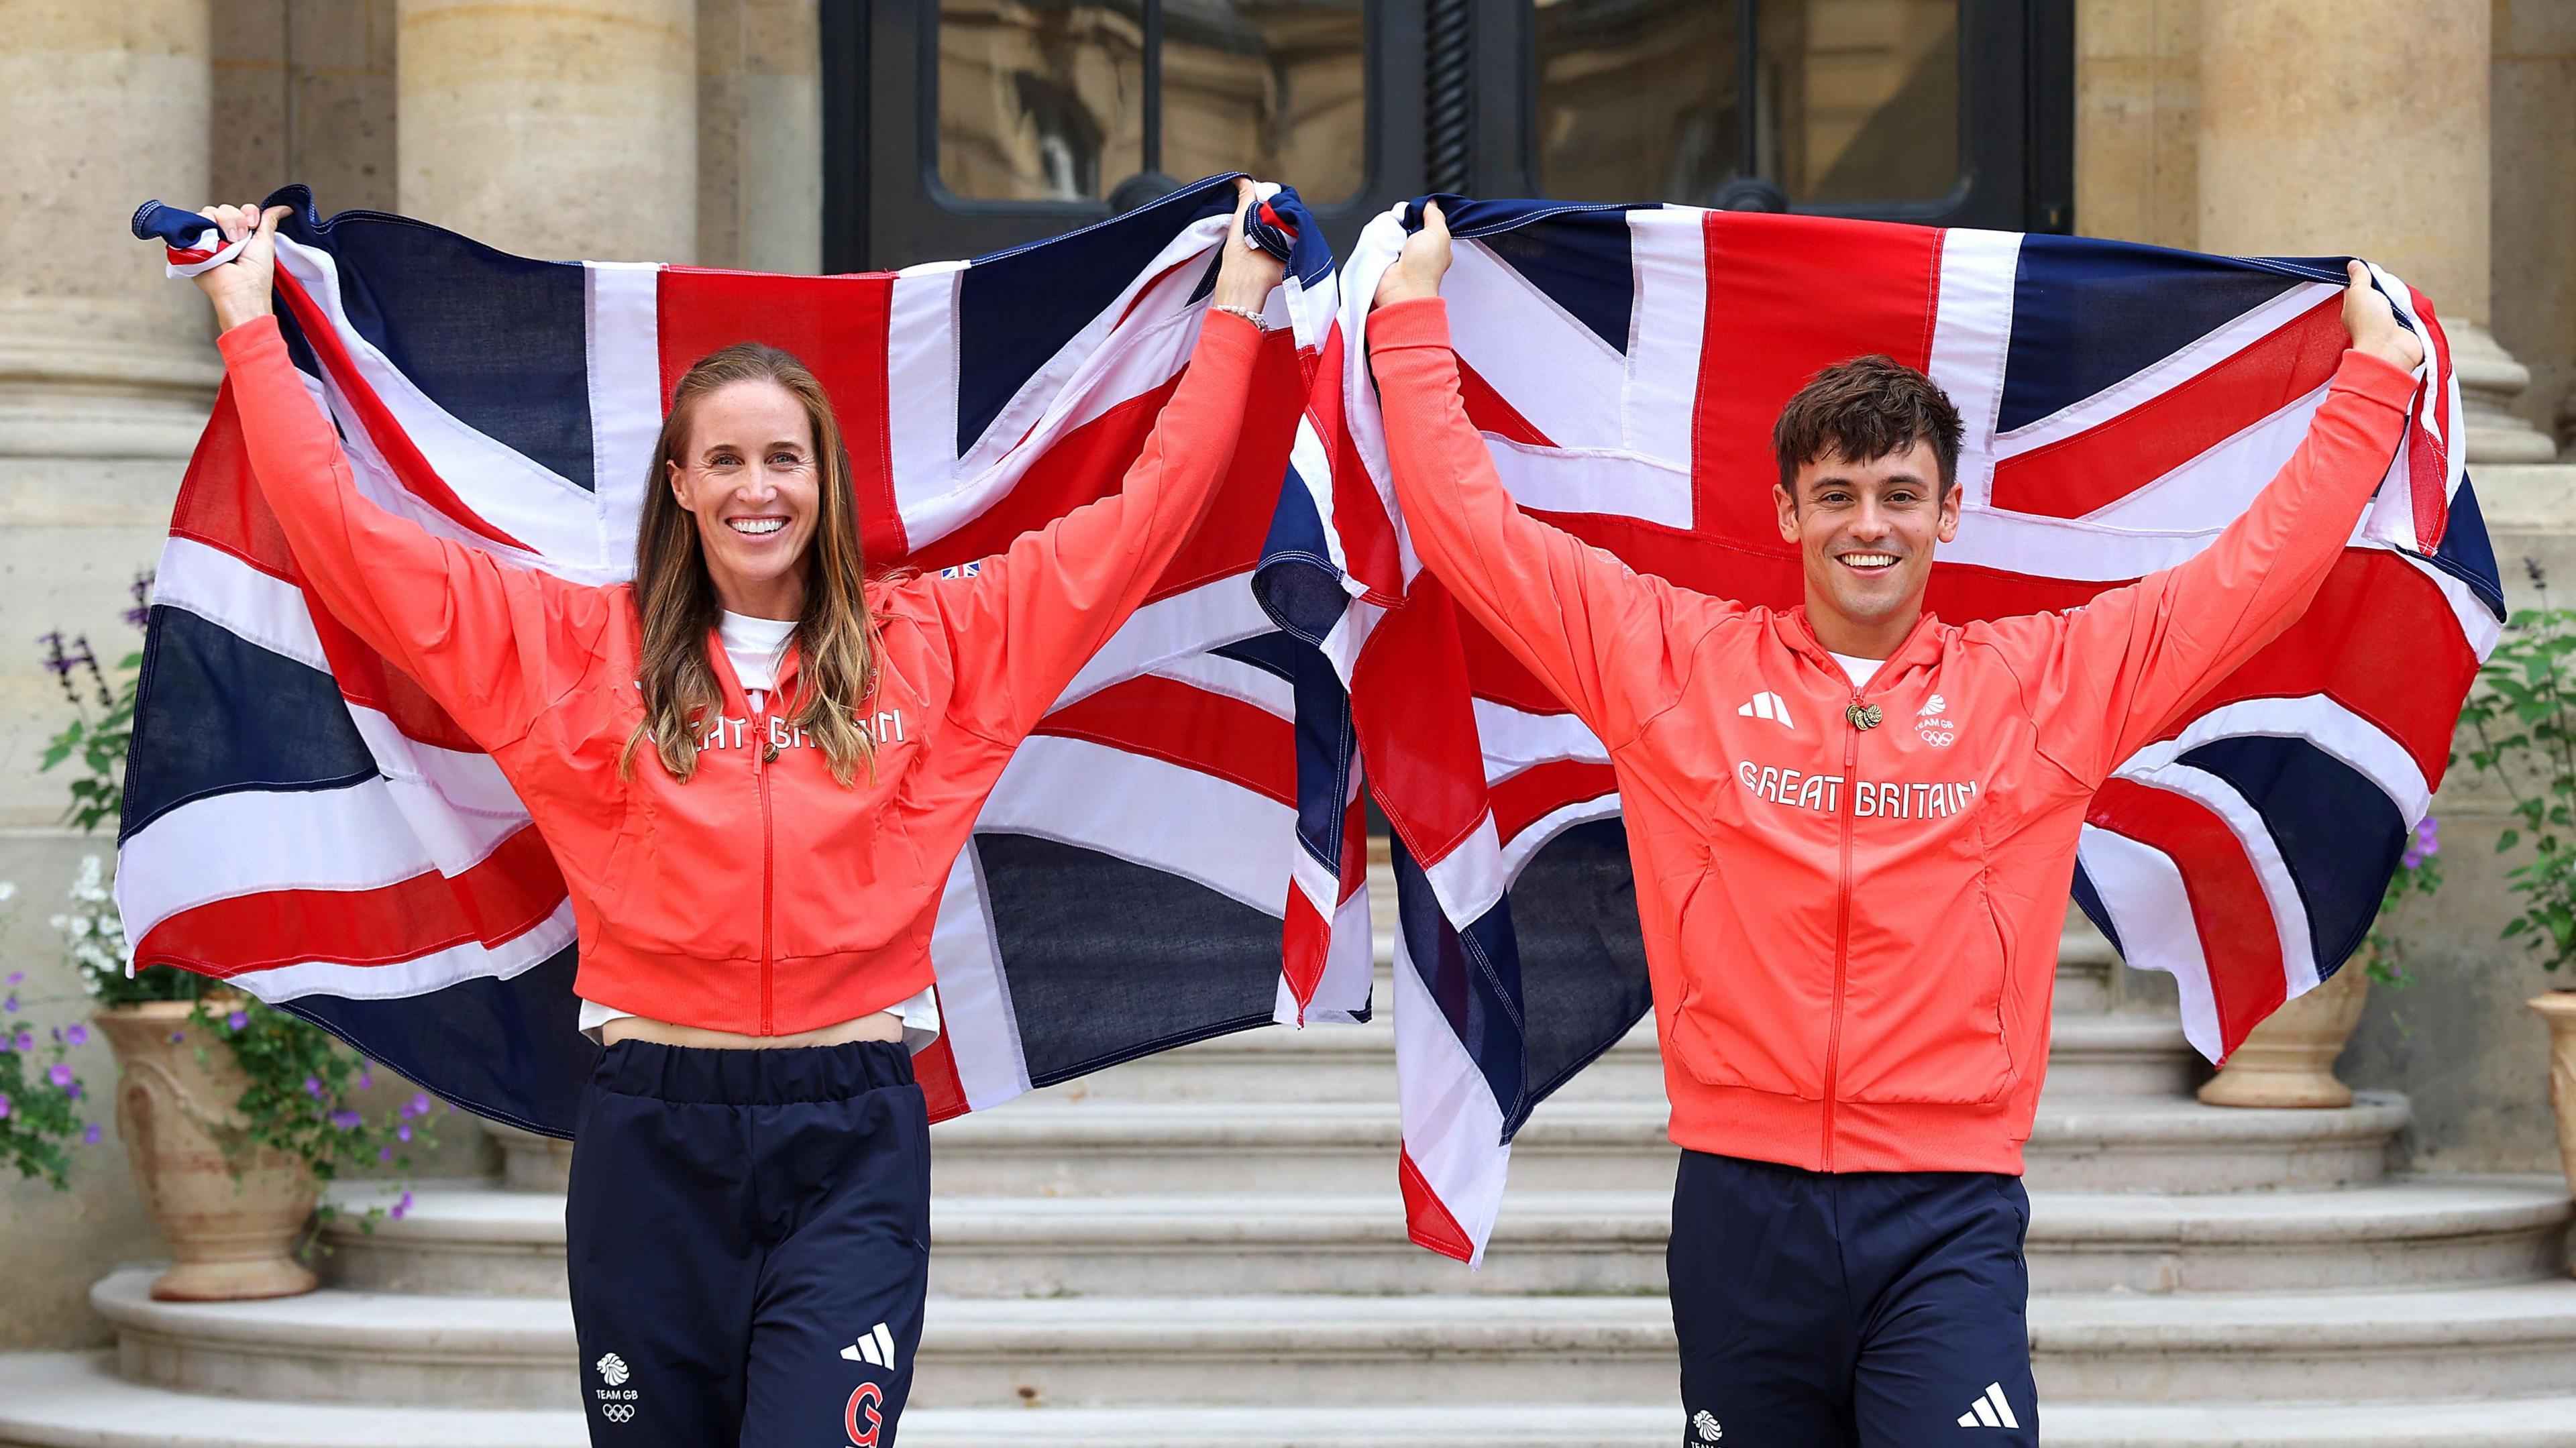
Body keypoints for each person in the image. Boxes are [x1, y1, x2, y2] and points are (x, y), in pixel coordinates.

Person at [185, 180, 1286, 1447]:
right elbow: (346, 534)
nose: (757, 488)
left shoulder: (939, 646)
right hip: (650, 1145)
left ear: (826, 478)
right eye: (726, 458)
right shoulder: (568, 655)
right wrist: (246, 315)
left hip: (853, 1142)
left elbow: (1148, 518)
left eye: (784, 456)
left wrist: (1241, 301)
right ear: (682, 483)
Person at [1365, 201, 2424, 1446]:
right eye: (1838, 494)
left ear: (1949, 514)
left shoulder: (2044, 687)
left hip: (1947, 1211)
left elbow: (2252, 575)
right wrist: (1409, 317)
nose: (1870, 523)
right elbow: (1472, 532)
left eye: (1900, 495)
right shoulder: (1671, 663)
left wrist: (2376, 378)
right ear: (1788, 514)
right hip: (1741, 1205)